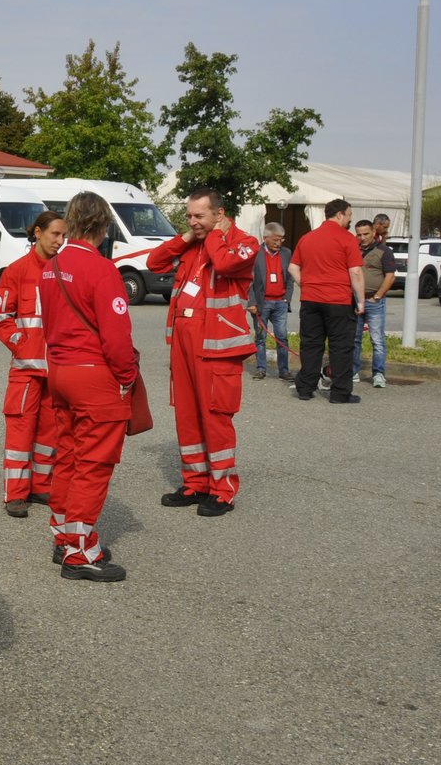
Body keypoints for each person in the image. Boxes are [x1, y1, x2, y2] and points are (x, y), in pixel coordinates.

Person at [38, 192, 137, 582]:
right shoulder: (102, 269)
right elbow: (116, 338)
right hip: (93, 375)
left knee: (68, 455)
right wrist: (127, 376)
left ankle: (64, 537)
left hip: (60, 370)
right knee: (94, 463)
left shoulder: (51, 266)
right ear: (103, 225)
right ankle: (80, 553)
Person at [146, 188, 257, 516]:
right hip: (184, 345)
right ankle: (196, 482)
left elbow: (223, 263)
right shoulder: (194, 241)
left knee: (215, 417)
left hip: (217, 346)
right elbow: (154, 263)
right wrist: (186, 237)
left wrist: (213, 237)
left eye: (199, 216)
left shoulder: (243, 242)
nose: (193, 221)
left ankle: (222, 490)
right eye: (189, 216)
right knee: (188, 415)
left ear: (219, 215)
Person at [0, 211, 65, 517]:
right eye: (55, 234)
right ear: (37, 232)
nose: (60, 241)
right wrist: (21, 345)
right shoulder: (16, 271)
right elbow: (1, 318)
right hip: (25, 370)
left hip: (57, 369)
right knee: (21, 433)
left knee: (50, 433)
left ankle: (41, 485)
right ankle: (16, 494)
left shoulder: (65, 271)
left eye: (64, 235)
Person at [290, 198, 365, 405]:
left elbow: (293, 268)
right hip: (338, 300)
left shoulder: (307, 238)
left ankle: (305, 388)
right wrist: (360, 301)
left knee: (311, 344)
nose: (350, 219)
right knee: (340, 347)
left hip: (310, 300)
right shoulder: (347, 239)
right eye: (349, 215)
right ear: (339, 214)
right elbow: (356, 272)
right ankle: (340, 393)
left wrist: (306, 285)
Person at [352, 218, 396, 389]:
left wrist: (377, 296)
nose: (362, 238)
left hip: (374, 301)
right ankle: (353, 371)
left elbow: (390, 276)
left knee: (377, 339)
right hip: (355, 300)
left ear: (373, 233)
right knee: (354, 338)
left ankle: (378, 373)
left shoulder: (383, 251)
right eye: (359, 234)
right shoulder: (353, 250)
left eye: (366, 234)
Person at [248, 222, 293, 381]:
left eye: (281, 239)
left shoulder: (286, 253)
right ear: (265, 238)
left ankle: (284, 370)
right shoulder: (255, 254)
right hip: (262, 303)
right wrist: (251, 302)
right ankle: (261, 368)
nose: (278, 243)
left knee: (282, 337)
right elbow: (249, 282)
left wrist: (287, 298)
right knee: (260, 337)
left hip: (280, 302)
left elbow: (290, 278)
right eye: (275, 240)